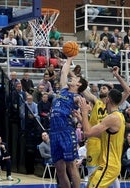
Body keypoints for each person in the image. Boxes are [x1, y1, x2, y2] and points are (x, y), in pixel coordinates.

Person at [75, 67, 130, 187]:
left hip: (109, 162)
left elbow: (88, 132)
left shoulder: (112, 117)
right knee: (92, 180)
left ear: (108, 98)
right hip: (102, 151)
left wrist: (84, 113)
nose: (101, 89)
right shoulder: (117, 114)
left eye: (104, 88)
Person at [49, 56, 88, 188]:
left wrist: (81, 114)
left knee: (71, 166)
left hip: (66, 130)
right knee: (59, 169)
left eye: (76, 78)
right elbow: (64, 72)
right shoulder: (63, 89)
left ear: (79, 85)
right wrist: (69, 58)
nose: (73, 78)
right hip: (54, 132)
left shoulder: (77, 97)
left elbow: (84, 107)